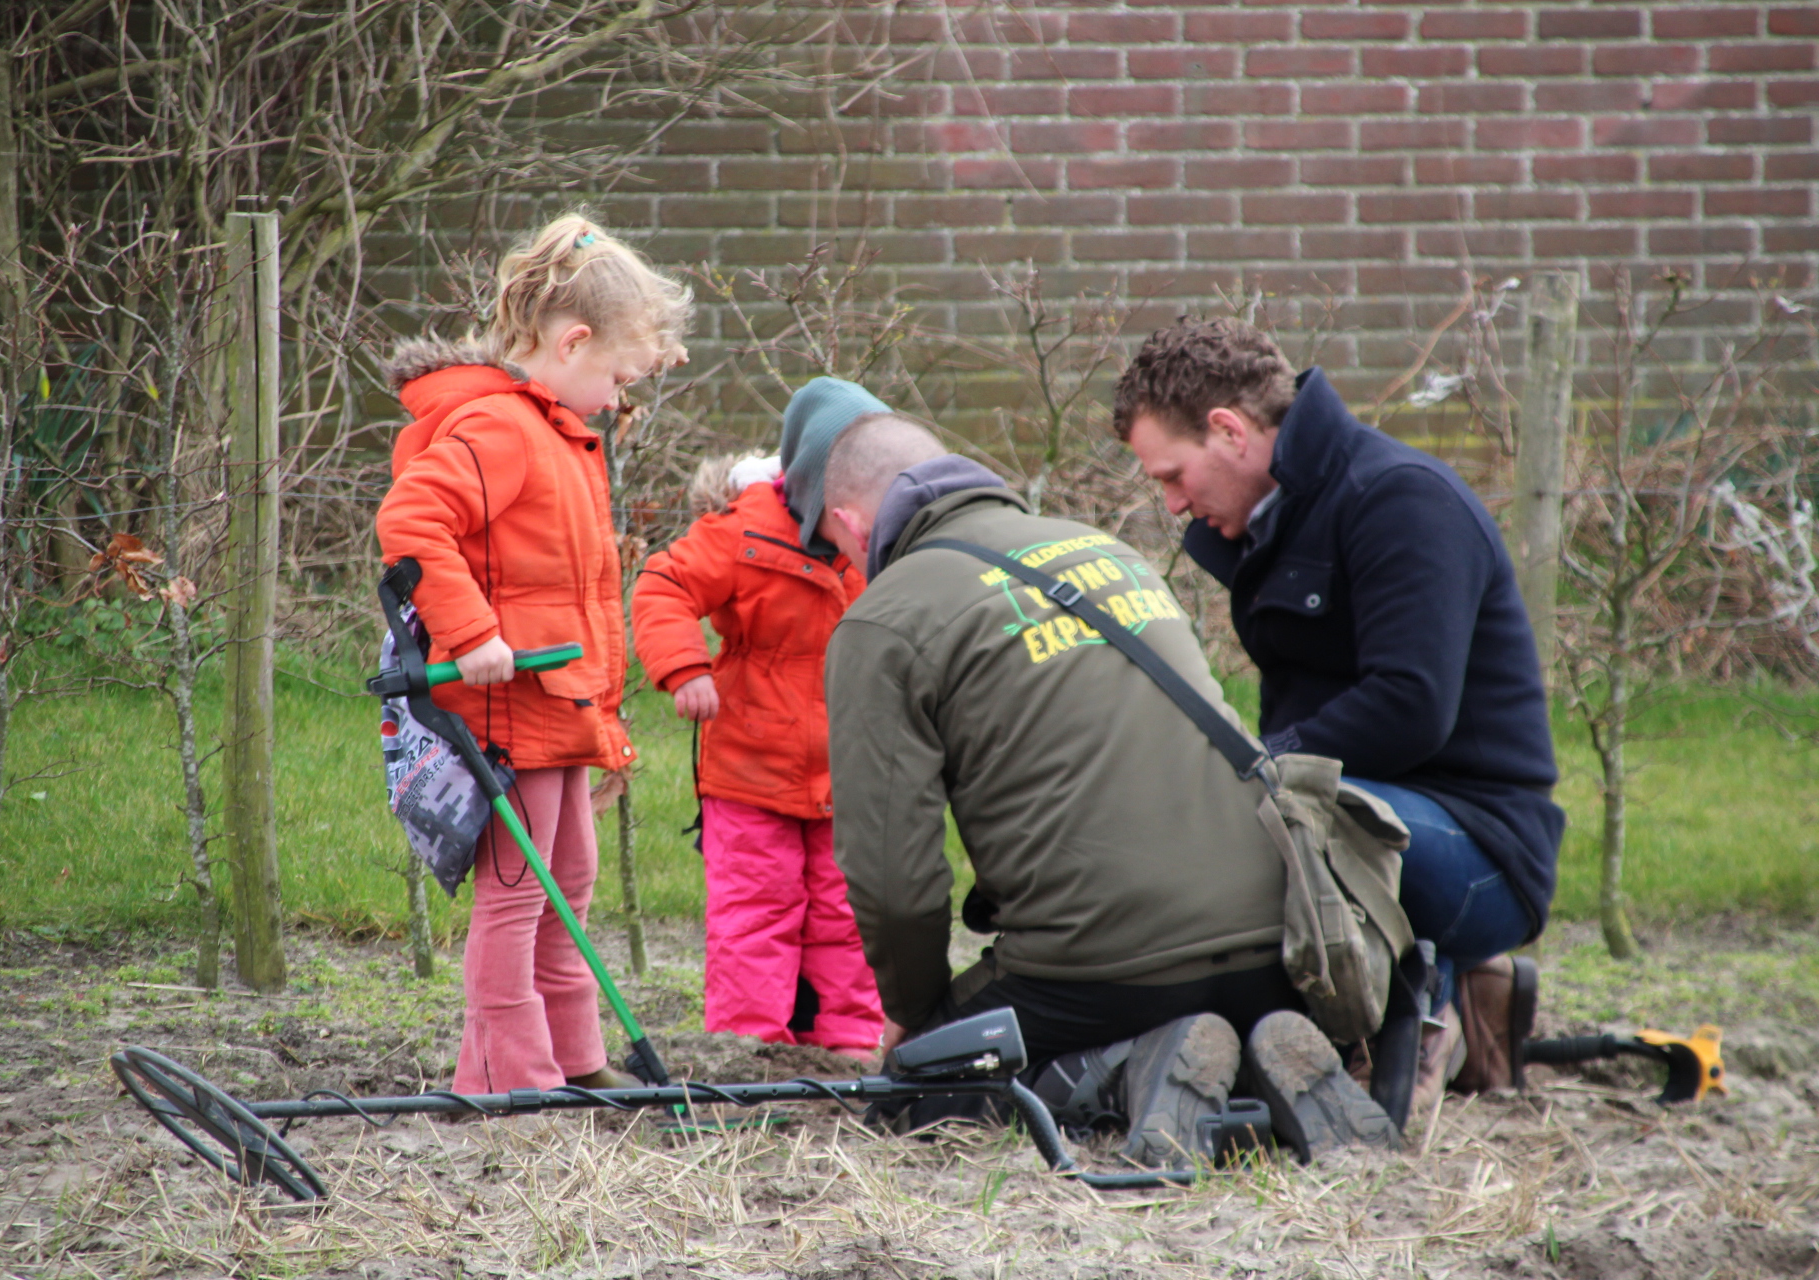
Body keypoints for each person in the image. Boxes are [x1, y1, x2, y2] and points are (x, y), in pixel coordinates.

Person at [819, 408, 1402, 1165]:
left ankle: (1128, 1070)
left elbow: (893, 875)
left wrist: (922, 1018)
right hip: (1278, 940)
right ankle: (1262, 1064)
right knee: (1217, 1006)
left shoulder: (885, 617)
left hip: (1103, 972)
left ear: (850, 525)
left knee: (915, 1093)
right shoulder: (1105, 550)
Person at [1115, 317, 1562, 1099]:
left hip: (1484, 851)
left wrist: (1254, 770)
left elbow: (1409, 708)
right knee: (1234, 827)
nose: (1173, 503)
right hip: (1374, 816)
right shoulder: (1278, 521)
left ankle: (1423, 1012)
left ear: (1228, 431)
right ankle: (1443, 986)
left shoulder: (1400, 501)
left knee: (1266, 823)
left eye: (1171, 475)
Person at [375, 212, 690, 1094]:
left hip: (558, 705)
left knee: (571, 883)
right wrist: (472, 635)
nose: (622, 398)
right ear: (573, 340)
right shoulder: (501, 429)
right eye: (619, 377)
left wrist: (604, 718)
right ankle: (507, 1077)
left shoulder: (560, 433)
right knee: (517, 893)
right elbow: (411, 523)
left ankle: (576, 1059)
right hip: (507, 711)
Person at [630, 386, 886, 1056]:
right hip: (750, 772)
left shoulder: (888, 543)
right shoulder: (741, 532)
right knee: (756, 914)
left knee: (847, 915)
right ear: (811, 487)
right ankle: (750, 1053)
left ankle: (847, 1047)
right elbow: (662, 586)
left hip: (849, 777)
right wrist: (685, 668)